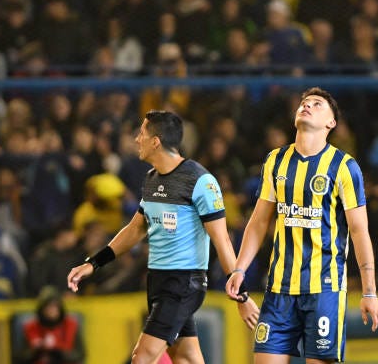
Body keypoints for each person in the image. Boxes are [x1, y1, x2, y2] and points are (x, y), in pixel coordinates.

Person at [67, 110, 259, 364]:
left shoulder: (200, 180)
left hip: (182, 284)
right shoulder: (150, 179)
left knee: (141, 358)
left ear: (156, 141)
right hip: (158, 282)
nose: (137, 139)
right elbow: (135, 229)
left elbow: (222, 240)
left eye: (142, 133)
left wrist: (241, 295)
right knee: (186, 357)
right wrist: (93, 263)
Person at [226, 87, 378, 363]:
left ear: (331, 122)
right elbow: (259, 221)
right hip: (279, 290)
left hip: (324, 290)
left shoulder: (344, 167)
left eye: (317, 104)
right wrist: (240, 267)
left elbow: (359, 231)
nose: (307, 106)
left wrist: (369, 291)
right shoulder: (276, 160)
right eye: (305, 103)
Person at [15, 286, 85, 364]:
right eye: (48, 307)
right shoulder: (30, 327)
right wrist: (36, 352)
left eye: (54, 307)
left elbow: (80, 355)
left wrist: (59, 353)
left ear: (60, 308)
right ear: (42, 309)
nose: (52, 311)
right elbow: (20, 357)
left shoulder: (71, 325)